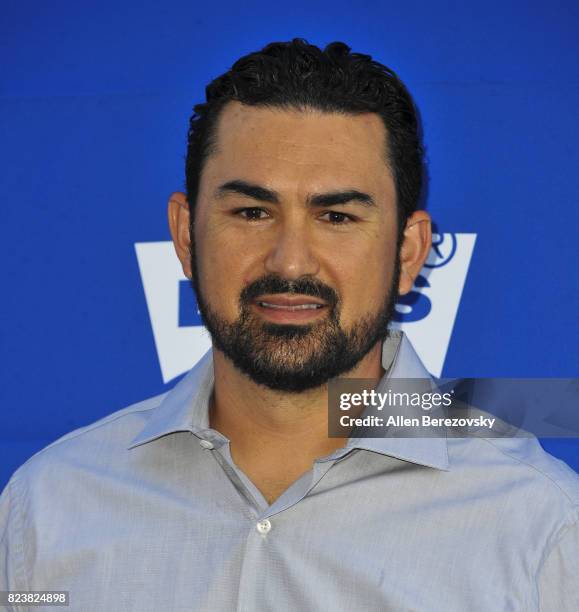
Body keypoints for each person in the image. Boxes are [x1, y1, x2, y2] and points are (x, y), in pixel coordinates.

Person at [1, 38, 578, 611]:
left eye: (336, 216)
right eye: (252, 212)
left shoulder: (540, 527)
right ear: (184, 235)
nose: (291, 262)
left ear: (408, 252)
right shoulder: (48, 510)